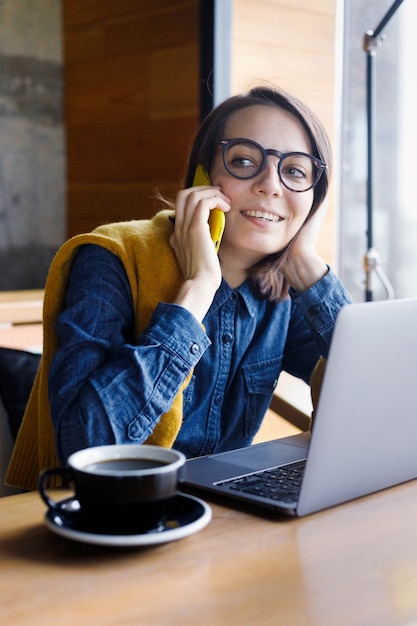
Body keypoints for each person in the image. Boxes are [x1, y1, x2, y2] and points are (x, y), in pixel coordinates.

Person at [6, 86, 352, 491]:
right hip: (115, 519)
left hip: (222, 520)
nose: (271, 186)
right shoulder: (113, 257)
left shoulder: (284, 295)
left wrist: (308, 264)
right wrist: (196, 293)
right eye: (243, 161)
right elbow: (84, 449)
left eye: (295, 171)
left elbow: (383, 404)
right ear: (203, 176)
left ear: (315, 198)